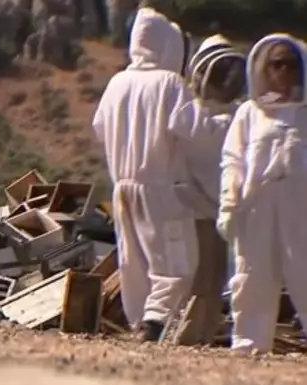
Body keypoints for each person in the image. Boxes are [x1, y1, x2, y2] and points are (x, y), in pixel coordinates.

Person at [92, 5, 218, 342]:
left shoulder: (117, 82)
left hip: (122, 187)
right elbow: (197, 131)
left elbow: (100, 127)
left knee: (133, 262)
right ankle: (154, 323)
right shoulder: (169, 84)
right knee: (175, 263)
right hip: (160, 186)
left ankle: (140, 322)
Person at [217, 34, 307, 353]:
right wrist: (229, 203)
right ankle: (248, 347)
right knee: (251, 280)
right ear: (263, 68)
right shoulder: (249, 114)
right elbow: (232, 160)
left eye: (291, 64)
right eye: (276, 64)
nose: (283, 71)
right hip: (255, 211)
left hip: (300, 212)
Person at [171, 35, 247, 346]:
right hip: (197, 212)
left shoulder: (230, 118)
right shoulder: (190, 117)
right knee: (202, 279)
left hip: (214, 212)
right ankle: (187, 337)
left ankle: (201, 337)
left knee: (214, 279)